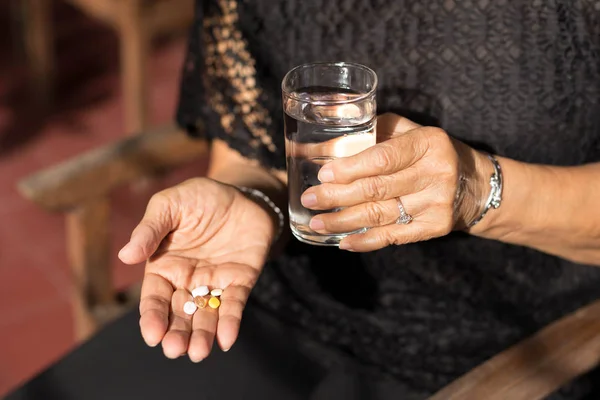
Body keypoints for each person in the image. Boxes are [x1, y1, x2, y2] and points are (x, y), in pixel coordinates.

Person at [118, 0, 600, 398]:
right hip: (285, 309)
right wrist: (252, 199)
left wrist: (477, 191)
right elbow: (251, 151)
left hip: (511, 342)